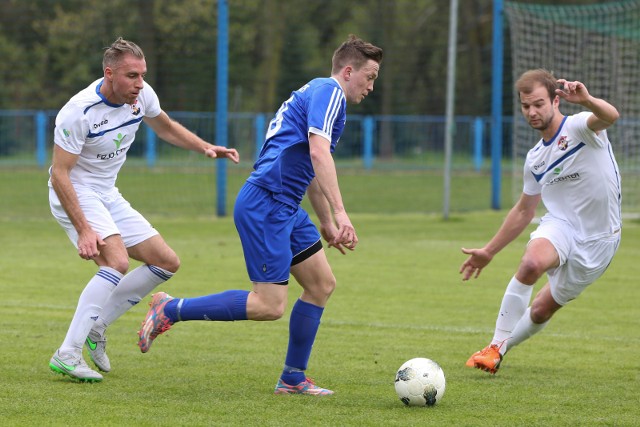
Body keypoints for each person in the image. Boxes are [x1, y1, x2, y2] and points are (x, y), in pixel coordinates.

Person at [137, 34, 383, 395]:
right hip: (267, 203)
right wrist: (342, 213)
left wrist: (327, 222)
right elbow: (318, 155)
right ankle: (170, 309)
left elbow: (308, 165)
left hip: (284, 204)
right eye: (370, 77)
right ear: (348, 71)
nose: (371, 87)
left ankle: (293, 378)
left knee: (320, 285)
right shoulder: (330, 94)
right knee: (268, 305)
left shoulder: (319, 94)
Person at [48, 37, 240, 382]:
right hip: (75, 192)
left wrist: (205, 147)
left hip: (107, 193)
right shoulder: (78, 112)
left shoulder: (142, 95)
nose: (139, 84)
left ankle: (97, 326)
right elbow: (60, 173)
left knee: (166, 261)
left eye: (142, 75)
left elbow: (164, 125)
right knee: (117, 262)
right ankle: (67, 353)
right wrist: (86, 229)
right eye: (132, 76)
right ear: (109, 74)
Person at [460, 68, 621, 374]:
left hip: (600, 241)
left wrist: (587, 100)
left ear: (555, 101)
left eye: (538, 104)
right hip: (561, 225)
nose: (531, 112)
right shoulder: (535, 158)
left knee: (542, 309)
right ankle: (494, 346)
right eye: (525, 106)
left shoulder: (580, 128)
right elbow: (524, 210)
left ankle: (503, 348)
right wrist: (489, 251)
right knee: (531, 264)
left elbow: (611, 116)